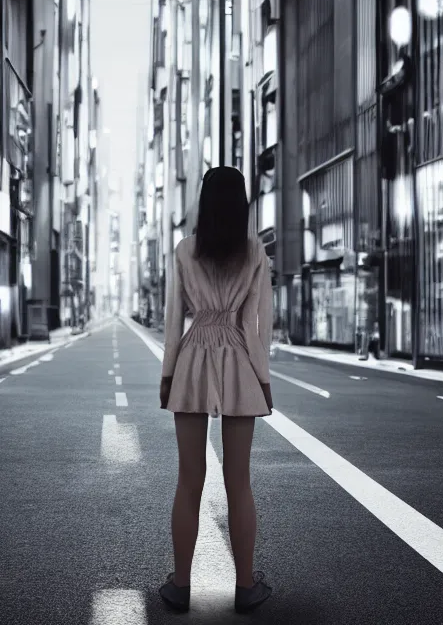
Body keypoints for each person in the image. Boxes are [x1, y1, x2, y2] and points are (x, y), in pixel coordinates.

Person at [158, 166, 273, 614]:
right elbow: (256, 325)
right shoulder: (255, 251)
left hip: (192, 360)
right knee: (238, 481)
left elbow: (173, 324)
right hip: (239, 360)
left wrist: (168, 376)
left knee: (189, 481)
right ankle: (245, 586)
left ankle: (180, 587)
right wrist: (262, 380)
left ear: (204, 204)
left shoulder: (185, 250)